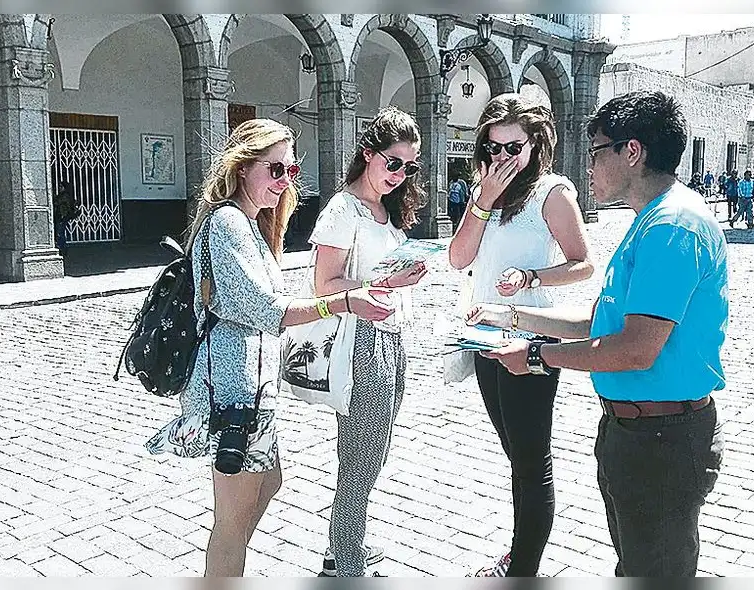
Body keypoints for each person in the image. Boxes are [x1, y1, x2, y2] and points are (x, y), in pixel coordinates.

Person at [471, 91, 726, 577]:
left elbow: (634, 349)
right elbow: (601, 322)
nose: (587, 165)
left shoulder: (672, 228)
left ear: (632, 152)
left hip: (662, 438)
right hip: (636, 431)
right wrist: (513, 317)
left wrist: (540, 357)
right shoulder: (651, 221)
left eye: (595, 151)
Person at [144, 119, 395, 577]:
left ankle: (224, 569)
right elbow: (263, 309)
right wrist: (342, 302)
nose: (284, 181)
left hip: (250, 387)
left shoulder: (249, 223)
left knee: (268, 484)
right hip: (231, 391)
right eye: (274, 169)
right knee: (231, 520)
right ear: (242, 168)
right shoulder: (228, 222)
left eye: (291, 170)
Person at [448, 93, 594, 577]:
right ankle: (522, 552)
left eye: (513, 147)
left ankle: (523, 568)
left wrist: (533, 278)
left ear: (536, 143)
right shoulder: (484, 191)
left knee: (531, 462)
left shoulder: (552, 192)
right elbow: (459, 258)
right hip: (485, 336)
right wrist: (483, 202)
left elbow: (582, 264)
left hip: (529, 336)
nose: (502, 159)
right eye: (492, 148)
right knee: (515, 454)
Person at [310, 106, 429, 578]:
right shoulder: (343, 209)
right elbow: (324, 285)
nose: (400, 174)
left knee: (372, 455)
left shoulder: (386, 208)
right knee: (359, 460)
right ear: (367, 155)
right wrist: (385, 284)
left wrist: (405, 277)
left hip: (389, 335)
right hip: (359, 341)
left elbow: (379, 277)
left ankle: (342, 549)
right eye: (393, 162)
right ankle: (348, 566)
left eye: (410, 166)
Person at [52, 181, 78, 257]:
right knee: (60, 232)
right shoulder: (64, 195)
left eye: (61, 187)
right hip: (62, 216)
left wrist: (52, 195)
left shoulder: (65, 195)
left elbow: (56, 202)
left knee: (60, 232)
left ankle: (62, 248)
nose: (60, 188)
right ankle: (62, 248)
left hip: (63, 216)